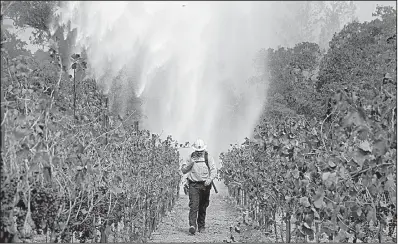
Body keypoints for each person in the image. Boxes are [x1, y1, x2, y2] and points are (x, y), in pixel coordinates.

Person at [181, 139, 217, 235]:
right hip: (193, 184)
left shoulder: (208, 157)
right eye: (197, 151)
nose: (199, 153)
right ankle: (192, 225)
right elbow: (183, 170)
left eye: (201, 151)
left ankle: (201, 226)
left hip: (205, 185)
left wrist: (209, 179)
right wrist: (190, 164)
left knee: (203, 206)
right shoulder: (190, 157)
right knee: (194, 205)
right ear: (194, 150)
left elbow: (214, 170)